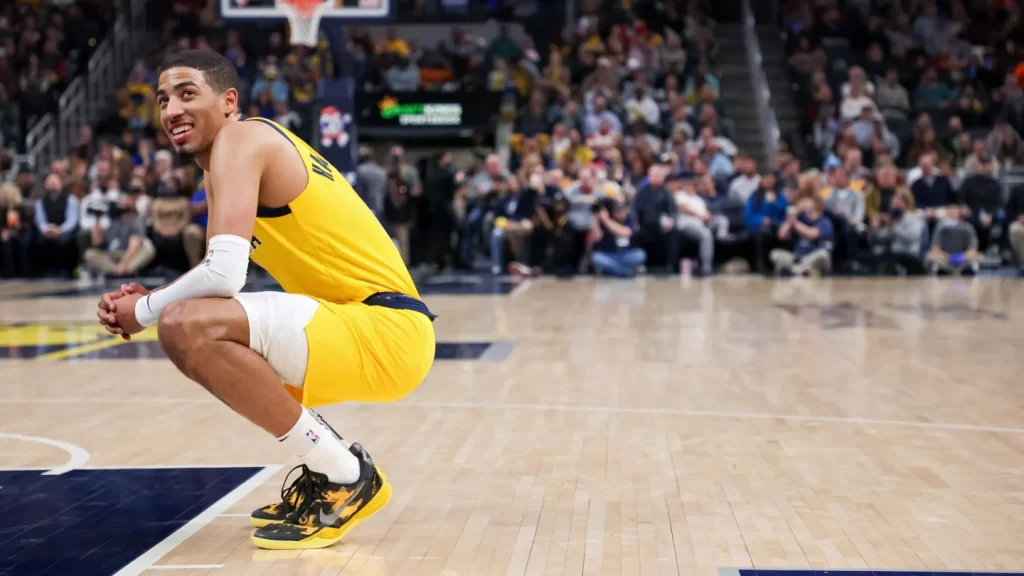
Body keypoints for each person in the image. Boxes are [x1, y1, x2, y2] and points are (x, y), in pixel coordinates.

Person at [95, 50, 436, 550]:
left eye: (188, 93)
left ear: (228, 100)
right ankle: (329, 467)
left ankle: (345, 473)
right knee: (193, 321)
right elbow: (215, 278)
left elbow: (225, 274)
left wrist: (145, 311)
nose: (170, 110)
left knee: (185, 326)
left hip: (385, 328)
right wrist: (155, 297)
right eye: (163, 99)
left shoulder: (242, 137)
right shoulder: (221, 165)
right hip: (362, 326)